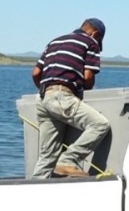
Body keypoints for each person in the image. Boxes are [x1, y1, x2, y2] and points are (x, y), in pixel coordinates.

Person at [31, 18, 111, 178]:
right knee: (100, 125)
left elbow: (36, 73)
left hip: (42, 99)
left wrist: (48, 92)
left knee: (47, 156)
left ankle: (35, 189)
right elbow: (88, 77)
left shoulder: (55, 41)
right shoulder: (90, 42)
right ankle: (68, 160)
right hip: (62, 96)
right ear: (95, 34)